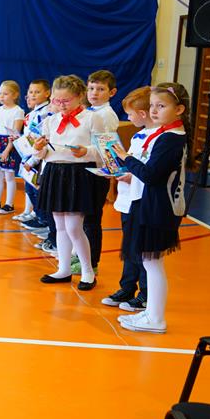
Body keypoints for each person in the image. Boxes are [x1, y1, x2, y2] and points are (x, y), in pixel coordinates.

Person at [111, 83, 192, 334]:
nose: (154, 111)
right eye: (153, 105)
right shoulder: (166, 134)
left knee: (152, 263)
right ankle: (151, 313)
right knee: (150, 262)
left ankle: (156, 318)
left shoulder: (171, 138)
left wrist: (126, 158)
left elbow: (151, 175)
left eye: (161, 106)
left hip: (161, 207)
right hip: (153, 203)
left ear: (179, 109)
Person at [33, 75, 102, 290]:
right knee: (60, 226)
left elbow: (104, 149)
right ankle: (63, 268)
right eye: (57, 100)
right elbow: (44, 153)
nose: (61, 105)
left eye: (66, 101)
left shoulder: (92, 118)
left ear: (80, 96)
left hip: (78, 173)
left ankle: (88, 271)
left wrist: (86, 151)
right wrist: (38, 148)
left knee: (74, 227)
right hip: (55, 172)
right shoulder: (50, 120)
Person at [102, 86, 152, 313]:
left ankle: (145, 295)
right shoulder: (138, 135)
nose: (128, 118)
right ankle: (127, 287)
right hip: (127, 198)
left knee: (141, 250)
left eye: (130, 114)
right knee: (129, 246)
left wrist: (132, 174)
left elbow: (148, 170)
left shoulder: (156, 138)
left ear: (142, 114)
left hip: (141, 199)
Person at [82, 69, 120, 275]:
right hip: (87, 169)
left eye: (100, 89)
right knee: (84, 218)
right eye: (91, 88)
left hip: (97, 171)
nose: (94, 93)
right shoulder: (90, 112)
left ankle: (92, 262)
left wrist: (110, 174)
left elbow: (107, 146)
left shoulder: (106, 115)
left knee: (92, 218)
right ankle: (82, 256)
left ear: (111, 92)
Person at [15, 79, 52, 226]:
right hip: (29, 154)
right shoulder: (34, 112)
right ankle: (37, 216)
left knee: (37, 189)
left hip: (38, 157)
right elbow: (30, 134)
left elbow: (41, 137)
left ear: (47, 93)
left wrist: (32, 159)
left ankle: (43, 220)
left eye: (37, 92)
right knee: (30, 188)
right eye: (31, 92)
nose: (33, 95)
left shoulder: (45, 112)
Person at [0, 80, 24, 214]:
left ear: (15, 95)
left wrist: (7, 150)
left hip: (9, 145)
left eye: (5, 94)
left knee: (9, 176)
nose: (1, 96)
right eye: (0, 93)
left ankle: (9, 204)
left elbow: (15, 134)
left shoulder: (18, 111)